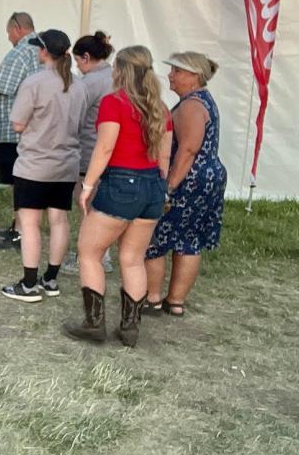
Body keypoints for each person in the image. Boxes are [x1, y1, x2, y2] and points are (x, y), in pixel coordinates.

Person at [63, 46, 172, 346]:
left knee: (89, 252)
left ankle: (94, 324)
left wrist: (87, 186)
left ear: (120, 71)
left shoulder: (115, 102)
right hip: (152, 185)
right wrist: (161, 189)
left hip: (121, 182)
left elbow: (105, 148)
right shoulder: (160, 107)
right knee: (133, 258)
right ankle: (129, 328)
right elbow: (164, 155)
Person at [1, 29, 86, 303]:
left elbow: (17, 123)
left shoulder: (35, 82)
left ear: (44, 51)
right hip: (66, 163)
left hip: (35, 164)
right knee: (59, 220)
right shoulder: (79, 85)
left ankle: (28, 284)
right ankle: (50, 279)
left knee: (30, 224)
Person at [144, 52, 227, 316]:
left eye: (177, 71)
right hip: (208, 176)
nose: (170, 75)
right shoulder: (203, 101)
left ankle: (153, 297)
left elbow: (188, 150)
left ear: (193, 76)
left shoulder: (191, 105)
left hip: (189, 178)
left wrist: (169, 187)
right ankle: (175, 301)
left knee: (156, 237)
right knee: (189, 240)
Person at [0, 12, 41, 249]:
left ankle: (21, 231)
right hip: (30, 127)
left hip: (15, 129)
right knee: (22, 180)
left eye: (8, 33)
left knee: (19, 180)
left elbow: (0, 86)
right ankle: (18, 226)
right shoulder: (39, 48)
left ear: (17, 28)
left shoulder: (22, 50)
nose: (9, 38)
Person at [65, 31, 116, 274]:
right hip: (113, 150)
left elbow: (75, 116)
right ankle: (101, 253)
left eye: (77, 61)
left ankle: (94, 254)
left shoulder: (89, 83)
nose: (77, 67)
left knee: (88, 205)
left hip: (89, 148)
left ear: (86, 57)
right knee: (100, 205)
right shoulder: (116, 75)